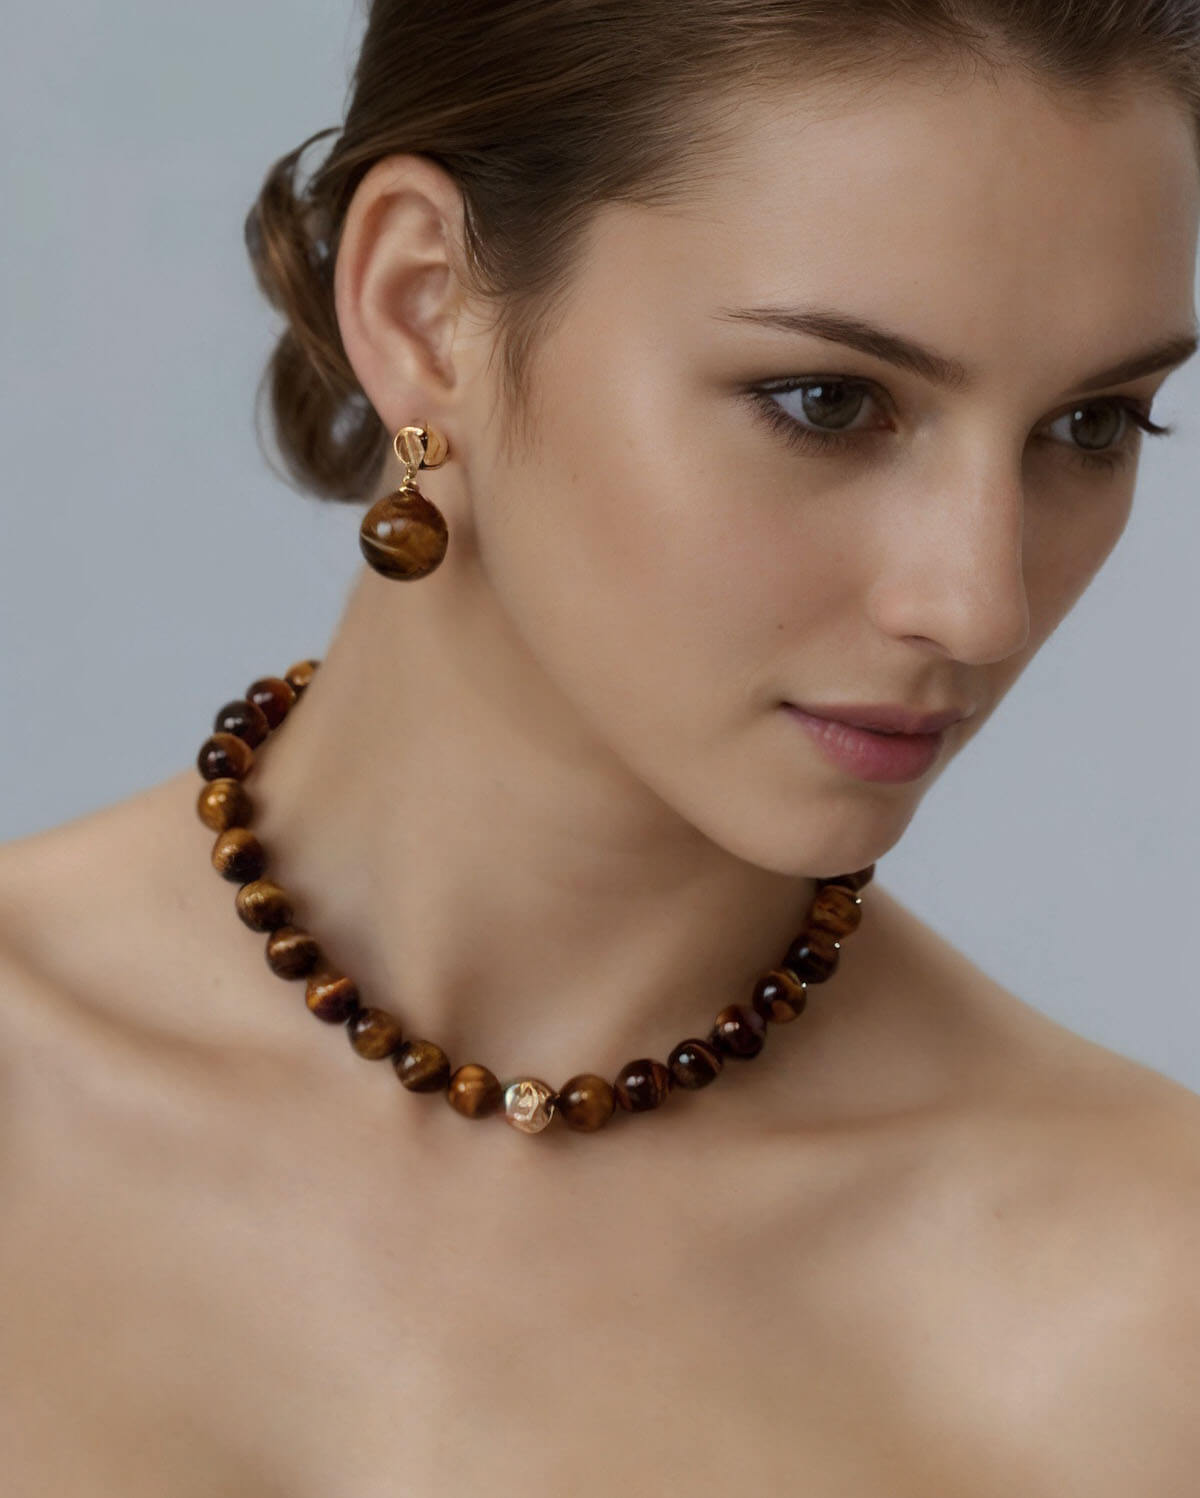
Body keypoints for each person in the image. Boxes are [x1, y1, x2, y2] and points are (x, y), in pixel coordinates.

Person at [2, 0, 1199, 1491]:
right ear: (424, 305)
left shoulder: (1152, 1308)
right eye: (827, 401)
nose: (978, 595)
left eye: (1093, 424)